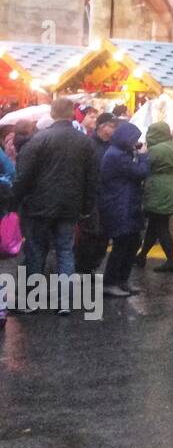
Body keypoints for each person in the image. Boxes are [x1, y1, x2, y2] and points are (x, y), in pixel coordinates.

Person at [12, 98, 97, 308]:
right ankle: (65, 303)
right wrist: (86, 207)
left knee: (35, 251)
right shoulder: (85, 142)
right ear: (72, 114)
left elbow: (24, 175)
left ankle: (30, 300)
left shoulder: (39, 139)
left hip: (39, 206)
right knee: (65, 252)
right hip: (70, 206)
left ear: (52, 113)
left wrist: (15, 200)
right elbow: (92, 178)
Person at [98, 121, 149, 298]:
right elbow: (140, 172)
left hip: (126, 203)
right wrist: (143, 156)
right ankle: (110, 282)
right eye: (134, 138)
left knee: (133, 242)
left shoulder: (121, 152)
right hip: (119, 205)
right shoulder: (116, 155)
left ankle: (122, 280)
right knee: (123, 244)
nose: (137, 142)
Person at [74, 114, 118, 274]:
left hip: (109, 196)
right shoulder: (88, 144)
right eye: (112, 126)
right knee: (90, 234)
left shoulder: (114, 146)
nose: (115, 130)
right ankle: (82, 267)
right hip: (92, 196)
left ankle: (92, 266)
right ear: (102, 126)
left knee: (104, 235)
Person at [138, 121, 173, 273]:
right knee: (156, 224)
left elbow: (143, 168)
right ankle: (142, 255)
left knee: (160, 226)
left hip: (157, 192)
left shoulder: (154, 150)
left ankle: (171, 260)